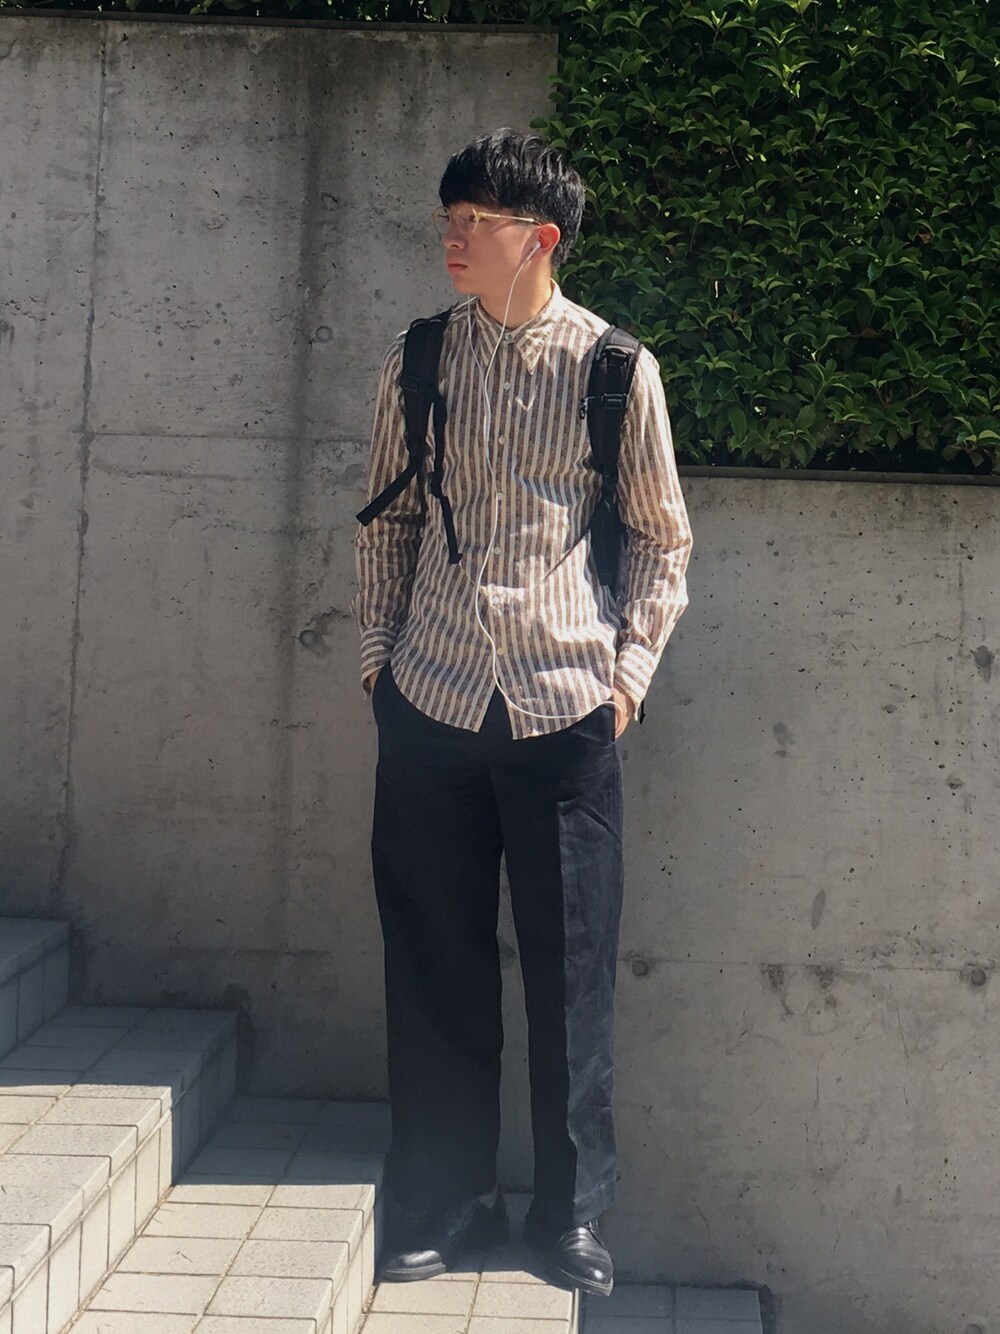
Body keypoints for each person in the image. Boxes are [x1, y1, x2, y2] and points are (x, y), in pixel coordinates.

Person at [353, 128, 692, 1297]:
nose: (450, 237)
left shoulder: (614, 369)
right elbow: (387, 520)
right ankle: (446, 1202)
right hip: (431, 699)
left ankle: (569, 1216)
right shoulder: (416, 359)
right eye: (447, 217)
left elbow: (660, 539)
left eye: (474, 220)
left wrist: (626, 679)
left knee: (571, 971)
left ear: (537, 237)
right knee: (432, 965)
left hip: (564, 710)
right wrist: (378, 662)